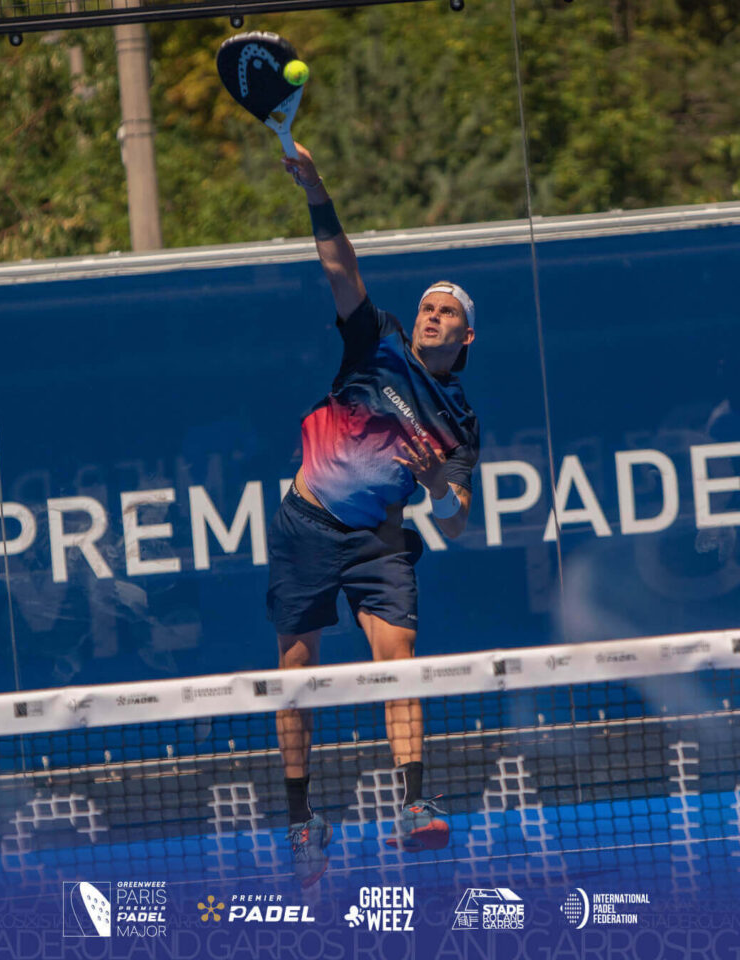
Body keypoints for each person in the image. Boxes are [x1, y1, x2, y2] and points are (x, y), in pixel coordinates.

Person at [267, 142, 480, 887]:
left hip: (380, 541)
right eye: (428, 307)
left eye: (447, 312)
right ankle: (301, 821)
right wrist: (315, 188)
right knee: (297, 669)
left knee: (399, 659)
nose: (432, 316)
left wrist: (437, 485)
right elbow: (339, 267)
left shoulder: (458, 420)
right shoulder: (377, 340)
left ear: (466, 336)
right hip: (308, 521)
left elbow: (455, 520)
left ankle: (414, 806)